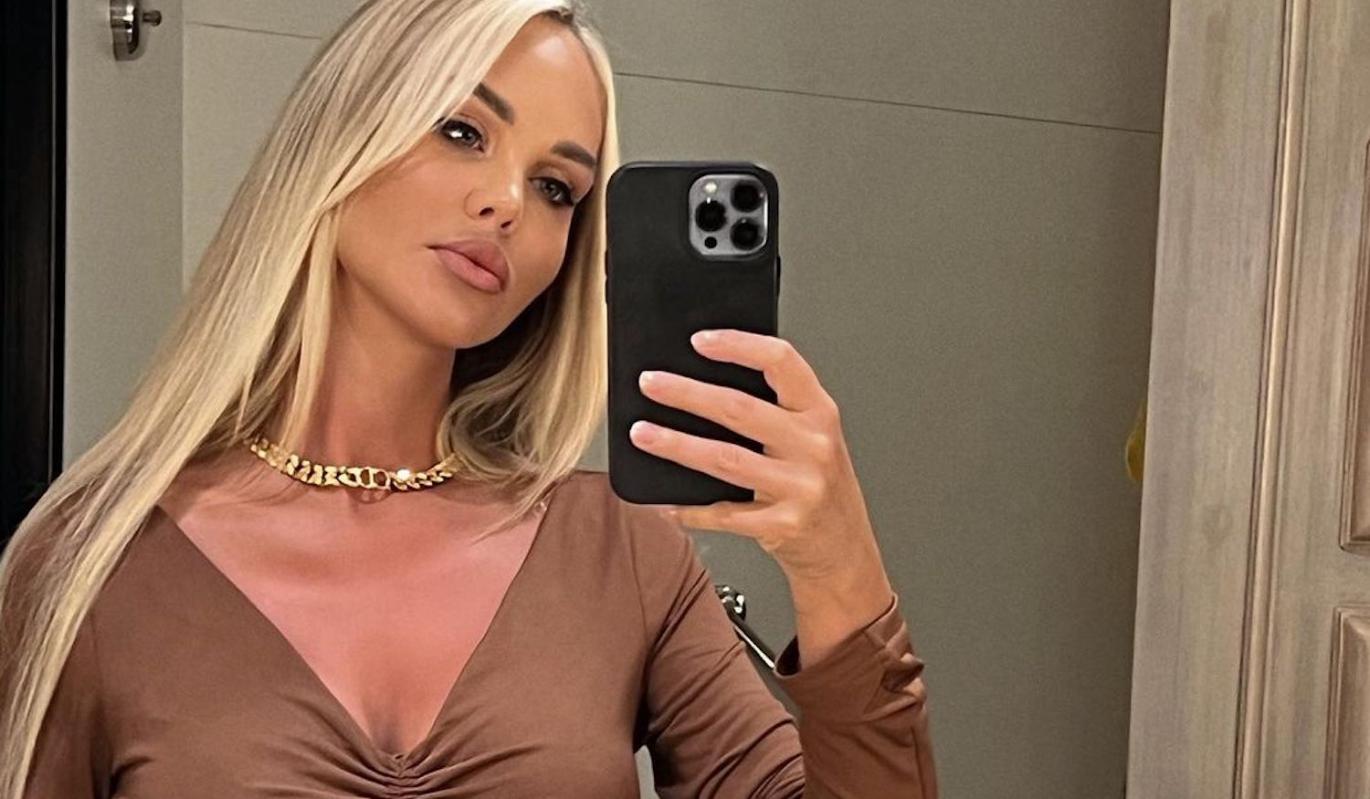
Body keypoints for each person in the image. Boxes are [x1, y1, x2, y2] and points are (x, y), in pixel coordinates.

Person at [0, 1, 937, 795]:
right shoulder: (96, 560)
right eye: (463, 132)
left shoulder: (617, 552)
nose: (508, 204)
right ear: (344, 133)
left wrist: (838, 563)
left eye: (556, 186)